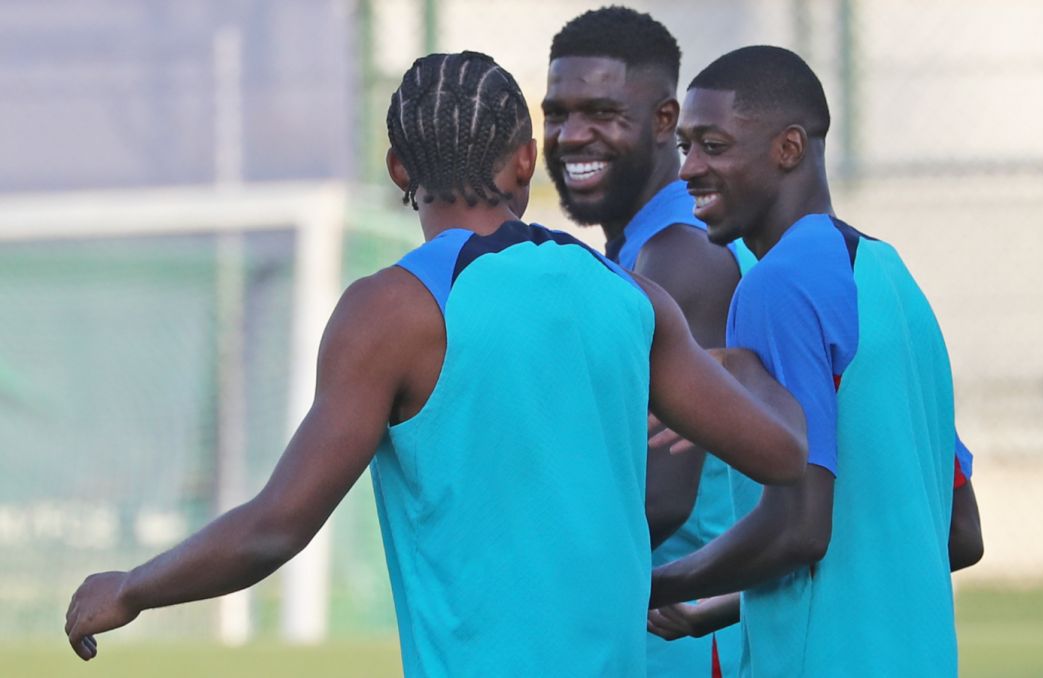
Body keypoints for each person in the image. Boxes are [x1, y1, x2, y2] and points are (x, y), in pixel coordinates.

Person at [63, 51, 810, 676]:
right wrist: (742, 366)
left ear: (397, 169)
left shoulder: (392, 312)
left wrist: (132, 587)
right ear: (525, 160)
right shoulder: (633, 299)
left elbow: (274, 529)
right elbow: (781, 454)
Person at [646, 46, 984, 676]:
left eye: (713, 146)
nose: (688, 168)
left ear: (789, 148)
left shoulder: (778, 285)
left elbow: (800, 529)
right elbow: (958, 533)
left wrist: (654, 583)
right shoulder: (892, 277)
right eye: (685, 146)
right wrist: (710, 612)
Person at [543, 8, 753, 675]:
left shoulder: (678, 257)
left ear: (666, 121)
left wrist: (515, 573)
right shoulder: (650, 248)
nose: (573, 136)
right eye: (557, 113)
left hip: (685, 645)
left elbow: (659, 495)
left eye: (602, 112)